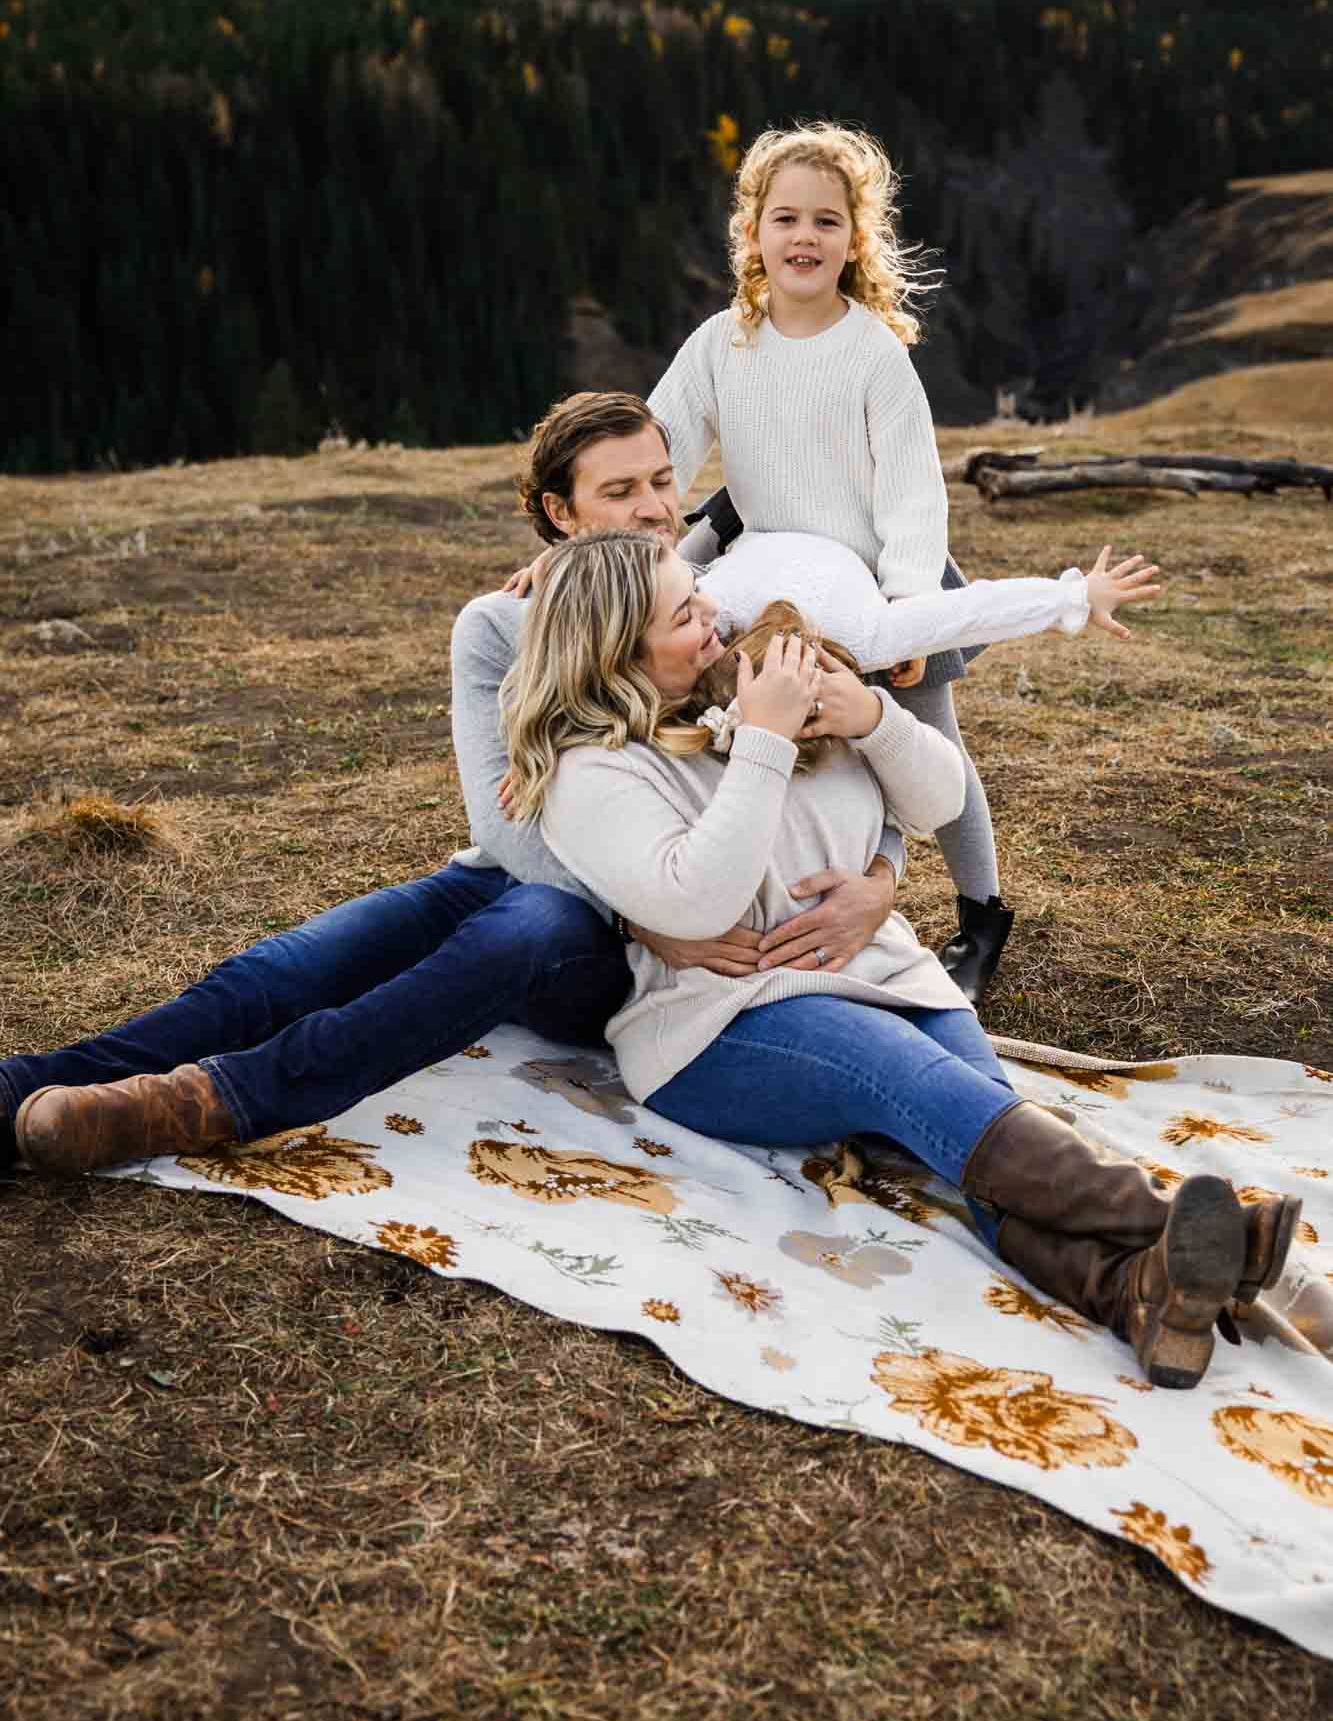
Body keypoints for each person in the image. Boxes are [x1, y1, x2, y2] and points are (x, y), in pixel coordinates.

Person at [5, 392, 903, 1177]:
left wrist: (883, 878)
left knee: (535, 925)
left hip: (612, 940)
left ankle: (222, 1100)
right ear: (560, 512)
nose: (654, 511)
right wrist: (650, 914)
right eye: (619, 491)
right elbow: (511, 839)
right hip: (555, 886)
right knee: (289, 968)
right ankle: (26, 1090)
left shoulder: (716, 617)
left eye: (663, 481)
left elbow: (854, 763)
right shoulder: (496, 626)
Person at [500, 529, 1301, 1391]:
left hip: (886, 974)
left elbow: (938, 802)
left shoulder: (758, 683)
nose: (713, 616)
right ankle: (1174, 1219)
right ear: (617, 645)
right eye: (684, 613)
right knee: (915, 1083)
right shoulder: (594, 769)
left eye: (702, 597)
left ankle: (1136, 1295)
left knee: (971, 1122)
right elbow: (700, 901)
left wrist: (874, 720)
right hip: (721, 1023)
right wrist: (764, 742)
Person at [646, 121, 1012, 1005]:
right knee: (746, 722)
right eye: (784, 219)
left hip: (883, 581)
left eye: (825, 221)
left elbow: (914, 493)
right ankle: (736, 885)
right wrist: (610, 543)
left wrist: (911, 605)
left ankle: (981, 913)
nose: (803, 237)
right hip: (766, 570)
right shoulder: (718, 343)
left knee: (922, 745)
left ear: (856, 240)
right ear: (753, 234)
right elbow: (660, 450)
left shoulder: (872, 353)